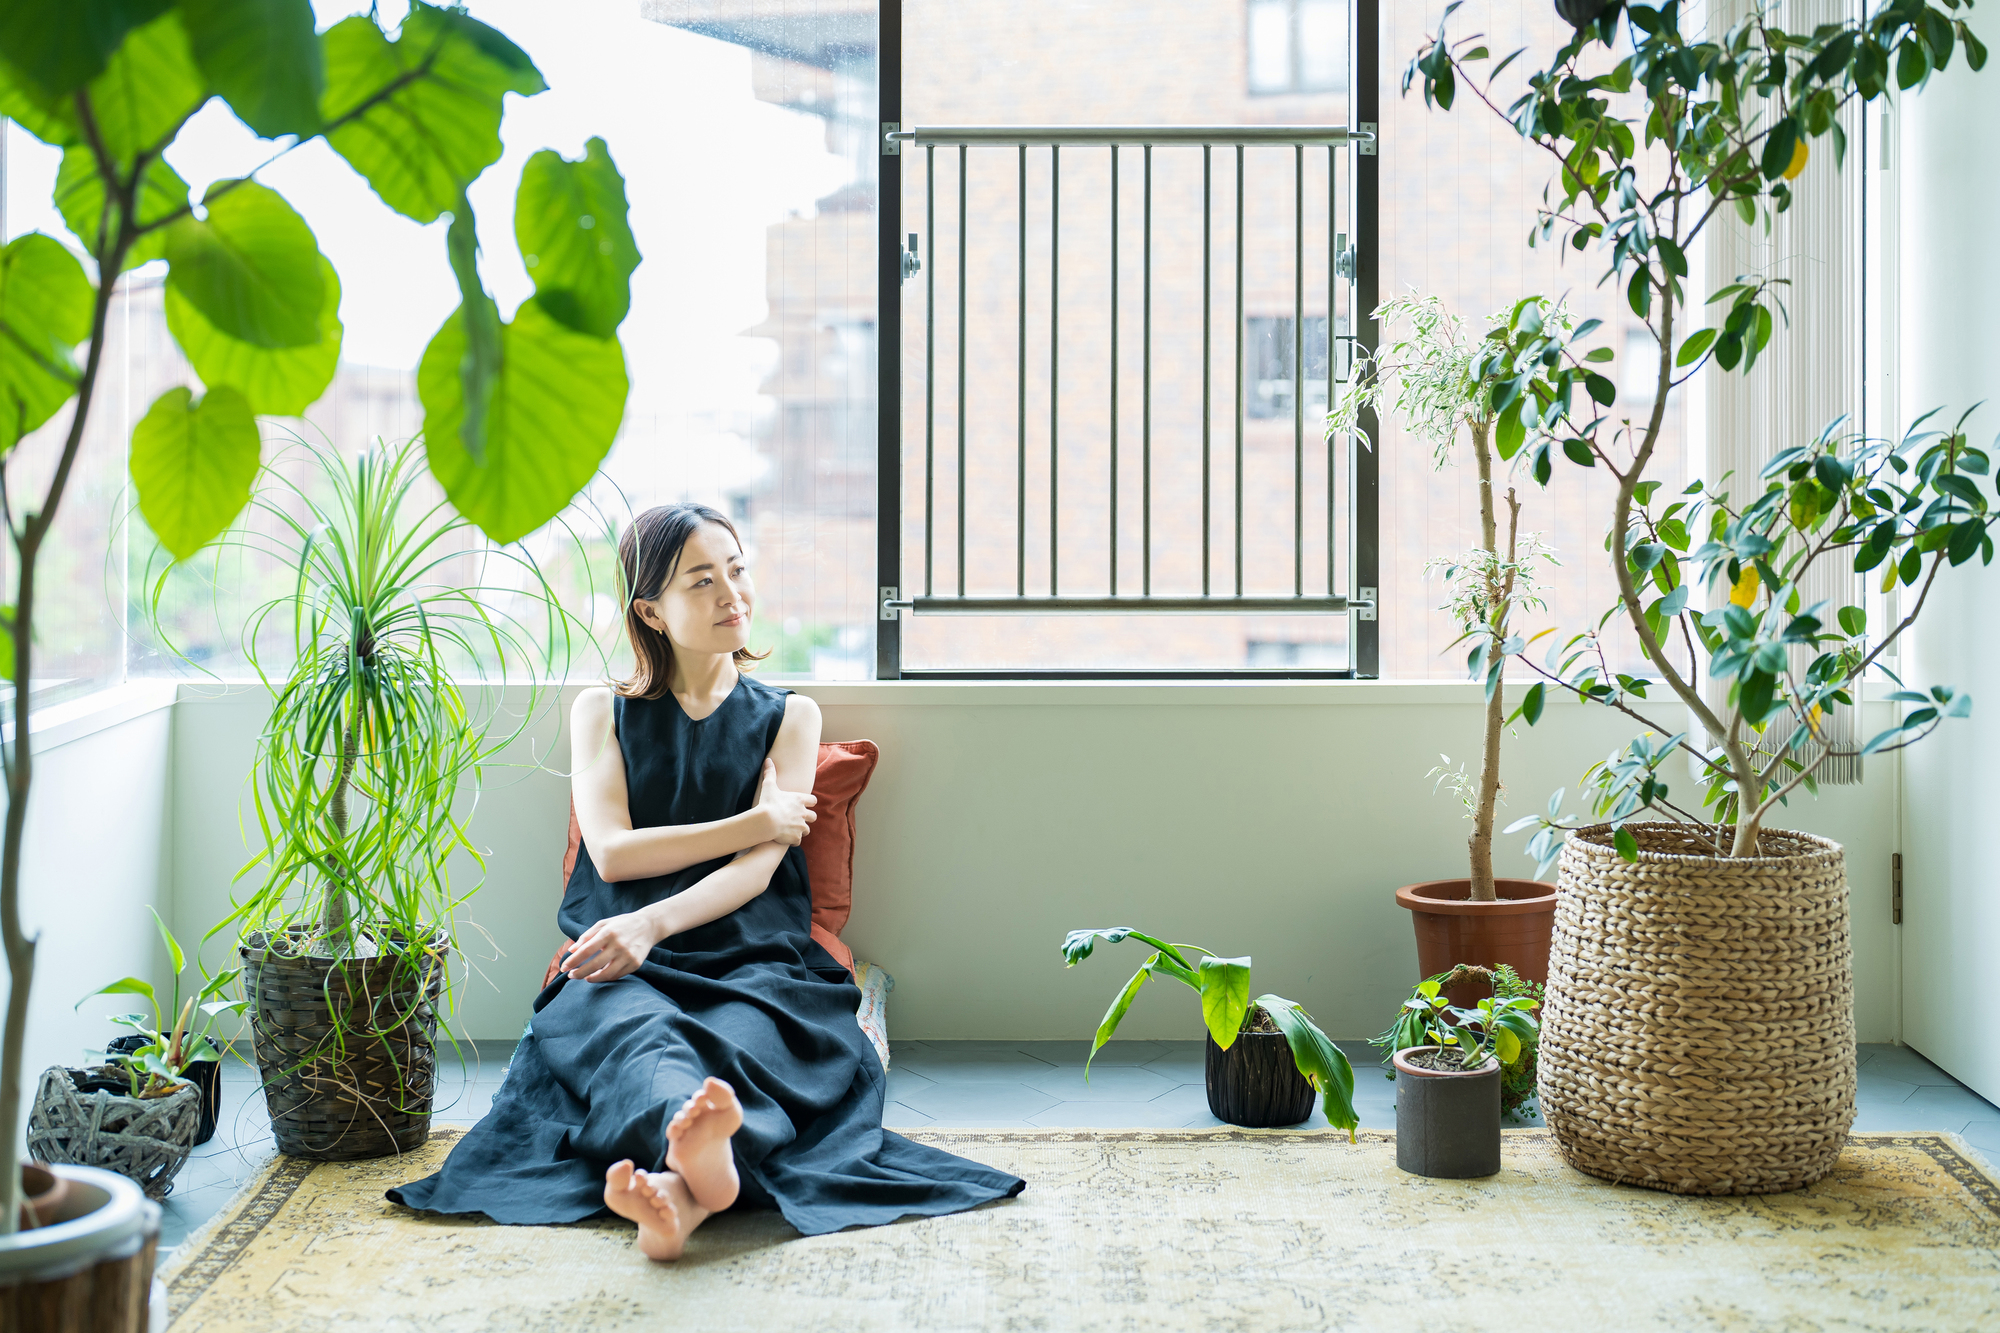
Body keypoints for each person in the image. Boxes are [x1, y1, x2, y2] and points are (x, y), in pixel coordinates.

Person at [389, 503, 1024, 1257]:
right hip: (620, 959)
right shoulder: (601, 711)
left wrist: (657, 918)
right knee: (645, 1038)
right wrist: (755, 822)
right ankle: (697, 1176)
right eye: (702, 580)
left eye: (737, 569)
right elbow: (617, 853)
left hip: (756, 957)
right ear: (650, 610)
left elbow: (758, 878)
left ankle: (685, 1193)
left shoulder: (790, 716)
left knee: (744, 1043)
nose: (734, 594)